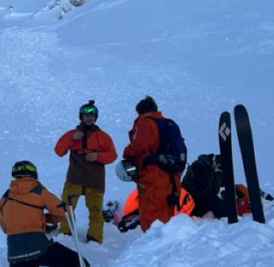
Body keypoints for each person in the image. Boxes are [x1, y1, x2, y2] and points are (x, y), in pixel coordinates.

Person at [0, 160, 88, 267]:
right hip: (39, 247)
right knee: (81, 266)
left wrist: (33, 219)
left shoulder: (4, 199)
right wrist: (45, 220)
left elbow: (6, 228)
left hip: (16, 252)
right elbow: (65, 213)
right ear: (34, 174)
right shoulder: (39, 191)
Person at [53, 100, 117, 243]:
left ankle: (94, 238)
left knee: (95, 210)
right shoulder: (72, 134)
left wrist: (98, 156)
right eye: (86, 115)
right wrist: (72, 138)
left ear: (95, 117)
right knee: (67, 207)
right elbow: (59, 151)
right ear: (81, 116)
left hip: (95, 179)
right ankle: (65, 234)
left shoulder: (103, 136)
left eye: (92, 115)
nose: (90, 117)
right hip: (75, 177)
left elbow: (113, 155)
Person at [122, 96, 182, 232]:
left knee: (151, 213)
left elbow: (141, 145)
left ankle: (153, 245)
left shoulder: (145, 123)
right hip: (173, 174)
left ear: (140, 112)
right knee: (167, 210)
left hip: (153, 174)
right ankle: (168, 245)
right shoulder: (169, 124)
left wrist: (127, 153)